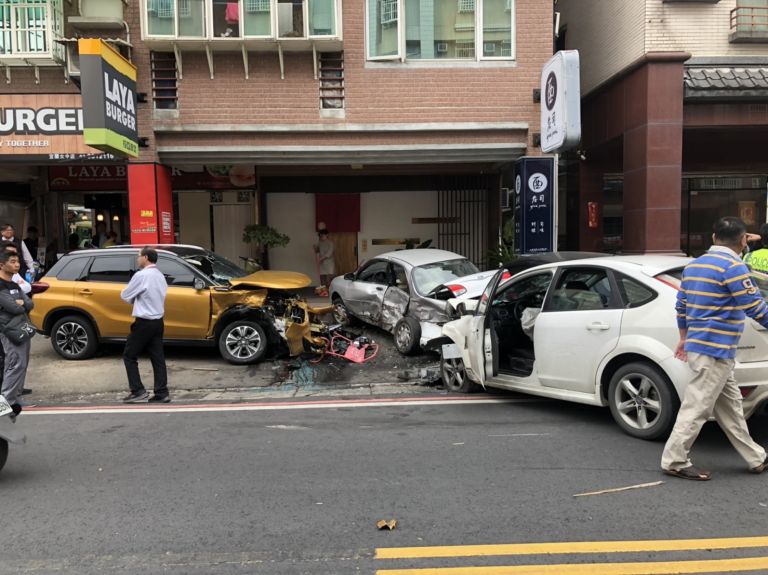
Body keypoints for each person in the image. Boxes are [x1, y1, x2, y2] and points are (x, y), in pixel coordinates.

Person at [661, 216, 768, 481]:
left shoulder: (694, 266)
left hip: (703, 346)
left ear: (713, 237)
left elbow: (681, 307)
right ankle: (674, 460)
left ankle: (756, 457)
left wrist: (684, 339)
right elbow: (755, 308)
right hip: (716, 350)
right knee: (696, 407)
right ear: (743, 241)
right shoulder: (733, 267)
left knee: (731, 407)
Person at [120, 247, 170, 403]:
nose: (137, 258)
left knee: (129, 355)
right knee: (157, 357)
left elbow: (125, 295)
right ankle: (162, 392)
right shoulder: (160, 276)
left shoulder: (141, 275)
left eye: (138, 256)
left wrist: (135, 299)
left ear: (146, 257)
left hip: (144, 322)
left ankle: (138, 391)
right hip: (158, 321)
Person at [0, 250, 34, 417]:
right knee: (15, 363)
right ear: (1, 265)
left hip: (21, 328)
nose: (17, 265)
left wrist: (21, 304)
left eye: (17, 261)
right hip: (8, 330)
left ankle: (14, 401)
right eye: (13, 261)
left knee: (23, 362)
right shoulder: (1, 285)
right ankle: (5, 404)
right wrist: (20, 304)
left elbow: (29, 303)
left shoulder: (14, 284)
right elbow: (13, 307)